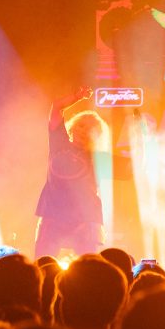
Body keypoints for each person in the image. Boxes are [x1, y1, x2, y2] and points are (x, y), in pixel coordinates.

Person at [34, 87, 108, 258]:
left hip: (85, 220)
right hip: (53, 214)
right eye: (81, 125)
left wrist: (142, 137)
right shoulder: (59, 142)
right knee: (43, 263)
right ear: (73, 126)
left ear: (96, 135)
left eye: (89, 129)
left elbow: (132, 166)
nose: (83, 130)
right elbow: (56, 107)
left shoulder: (98, 158)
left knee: (87, 267)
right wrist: (77, 97)